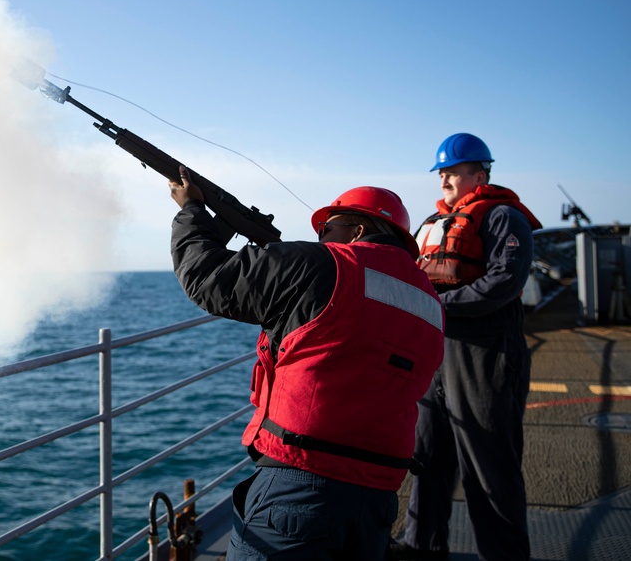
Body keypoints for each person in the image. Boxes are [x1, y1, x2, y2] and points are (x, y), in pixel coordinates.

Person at [168, 166, 445, 561]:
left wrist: (191, 210)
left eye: (326, 230)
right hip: (379, 494)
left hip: (299, 484)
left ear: (358, 231)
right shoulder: (430, 301)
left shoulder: (324, 265)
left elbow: (206, 276)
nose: (320, 239)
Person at [392, 133, 542, 561]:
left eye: (453, 171)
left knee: (488, 462)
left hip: (486, 350)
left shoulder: (502, 217)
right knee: (428, 455)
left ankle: (503, 554)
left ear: (480, 174)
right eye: (442, 172)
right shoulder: (432, 222)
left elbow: (503, 283)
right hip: (436, 352)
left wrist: (436, 305)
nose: (444, 178)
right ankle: (422, 546)